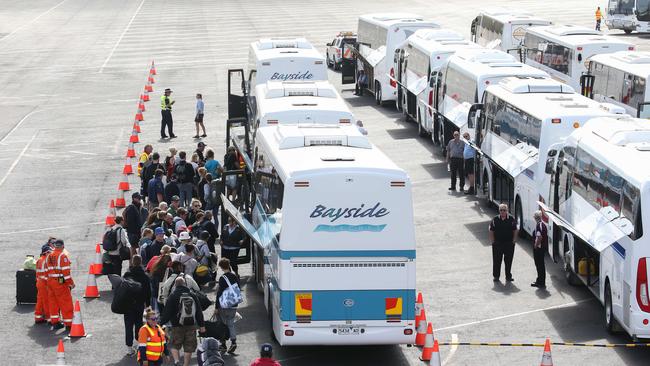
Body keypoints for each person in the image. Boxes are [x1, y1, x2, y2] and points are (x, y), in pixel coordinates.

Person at [160, 277, 206, 366]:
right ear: (185, 284)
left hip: (177, 325)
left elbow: (167, 312)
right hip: (191, 324)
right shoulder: (192, 294)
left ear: (175, 285)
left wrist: (160, 323)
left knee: (174, 344)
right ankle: (185, 364)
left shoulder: (173, 295)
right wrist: (202, 326)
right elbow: (198, 311)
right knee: (189, 346)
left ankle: (177, 361)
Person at [123, 255, 151, 356]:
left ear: (132, 262)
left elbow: (123, 289)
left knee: (128, 326)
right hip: (139, 304)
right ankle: (140, 344)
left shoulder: (127, 275)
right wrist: (148, 306)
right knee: (139, 324)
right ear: (141, 262)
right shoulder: (145, 276)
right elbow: (148, 293)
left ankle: (129, 349)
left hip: (128, 304)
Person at [46, 239, 75, 330]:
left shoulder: (49, 255)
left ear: (55, 246)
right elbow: (66, 273)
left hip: (51, 281)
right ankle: (69, 324)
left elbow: (47, 270)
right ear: (62, 246)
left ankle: (55, 322)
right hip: (60, 281)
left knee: (53, 303)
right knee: (66, 302)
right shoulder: (63, 256)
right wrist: (71, 283)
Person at [215, 258, 239, 353]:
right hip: (233, 304)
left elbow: (219, 294)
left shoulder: (222, 278)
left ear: (221, 267)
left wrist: (216, 307)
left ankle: (223, 344)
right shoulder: (234, 276)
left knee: (222, 324)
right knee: (231, 323)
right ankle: (233, 342)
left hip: (223, 305)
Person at [489, 204, 518, 282]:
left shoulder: (511, 219)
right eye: (501, 210)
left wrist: (514, 240)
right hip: (497, 244)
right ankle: (496, 276)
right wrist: (493, 241)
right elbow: (491, 230)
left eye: (504, 210)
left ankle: (508, 276)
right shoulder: (495, 219)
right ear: (499, 211)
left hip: (509, 244)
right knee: (497, 261)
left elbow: (515, 230)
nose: (502, 212)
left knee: (508, 261)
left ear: (507, 211)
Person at [35, 244, 52, 324]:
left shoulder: (39, 260)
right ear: (46, 252)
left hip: (39, 282)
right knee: (46, 301)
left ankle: (38, 317)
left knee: (40, 300)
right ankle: (49, 318)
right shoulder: (46, 260)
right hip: (45, 283)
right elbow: (48, 274)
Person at [531, 211, 548, 288]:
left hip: (539, 248)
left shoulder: (539, 226)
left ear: (535, 217)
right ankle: (540, 280)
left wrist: (535, 245)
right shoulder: (542, 224)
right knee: (540, 265)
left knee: (539, 265)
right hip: (542, 248)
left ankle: (541, 282)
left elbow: (539, 237)